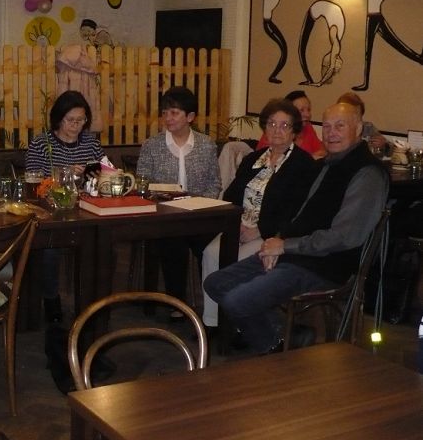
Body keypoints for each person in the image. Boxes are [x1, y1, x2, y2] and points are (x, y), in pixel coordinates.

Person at [204, 101, 388, 354]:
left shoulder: (367, 173)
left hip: (326, 265)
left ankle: (275, 347)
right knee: (216, 283)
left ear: (358, 129)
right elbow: (298, 215)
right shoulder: (326, 164)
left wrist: (286, 246)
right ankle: (285, 337)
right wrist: (276, 242)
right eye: (327, 126)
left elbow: (345, 237)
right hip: (296, 253)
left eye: (340, 126)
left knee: (238, 300)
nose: (331, 133)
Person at [202, 98, 319, 328]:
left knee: (236, 263)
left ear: (294, 131)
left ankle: (240, 324)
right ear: (265, 127)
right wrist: (235, 223)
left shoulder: (303, 165)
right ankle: (213, 322)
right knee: (211, 253)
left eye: (284, 125)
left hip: (270, 235)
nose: (277, 130)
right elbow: (231, 195)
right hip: (238, 226)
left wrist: (259, 230)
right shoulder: (253, 159)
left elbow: (295, 210)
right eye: (272, 124)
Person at [25, 90, 106, 323]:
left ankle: (92, 301)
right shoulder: (42, 144)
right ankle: (51, 299)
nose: (76, 126)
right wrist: (64, 175)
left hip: (86, 212)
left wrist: (98, 174)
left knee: (102, 243)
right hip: (52, 214)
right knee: (50, 249)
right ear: (59, 118)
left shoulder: (90, 143)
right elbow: (34, 183)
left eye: (81, 120)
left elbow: (105, 172)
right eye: (71, 120)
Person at [137, 86, 221, 306]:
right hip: (164, 216)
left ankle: (213, 305)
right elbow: (142, 183)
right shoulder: (152, 145)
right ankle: (177, 304)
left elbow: (214, 183)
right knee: (173, 243)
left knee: (212, 246)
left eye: (174, 113)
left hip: (198, 215)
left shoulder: (206, 145)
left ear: (190, 116)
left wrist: (202, 206)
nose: (168, 118)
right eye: (165, 112)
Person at [261, 0, 317, 83]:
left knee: (285, 49)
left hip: (269, 22)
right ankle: (272, 76)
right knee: (284, 50)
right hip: (268, 24)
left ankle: (273, 76)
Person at [256, 90, 326, 159]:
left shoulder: (307, 127)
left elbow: (321, 150)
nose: (307, 114)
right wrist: (309, 158)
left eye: (308, 110)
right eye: (301, 110)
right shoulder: (273, 134)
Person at [335, 91, 389, 156]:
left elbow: (391, 151)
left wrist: (384, 145)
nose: (355, 119)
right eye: (350, 115)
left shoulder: (368, 127)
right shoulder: (333, 130)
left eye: (358, 115)